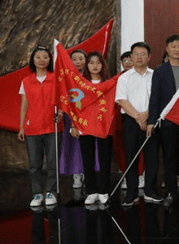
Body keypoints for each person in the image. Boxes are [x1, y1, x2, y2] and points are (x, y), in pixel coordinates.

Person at [146, 34, 179, 207]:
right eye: (173, 46)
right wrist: (151, 121)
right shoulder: (160, 70)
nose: (177, 49)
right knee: (168, 157)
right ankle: (170, 192)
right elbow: (155, 97)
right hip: (167, 122)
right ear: (167, 49)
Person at [115, 42, 161, 204]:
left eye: (143, 54)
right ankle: (131, 193)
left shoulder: (156, 75)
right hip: (130, 121)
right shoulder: (124, 78)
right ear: (131, 57)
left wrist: (147, 116)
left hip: (152, 120)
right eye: (136, 54)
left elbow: (159, 99)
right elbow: (122, 100)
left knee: (152, 157)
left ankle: (150, 190)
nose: (139, 57)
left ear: (149, 57)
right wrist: (138, 118)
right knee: (131, 157)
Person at [18, 45, 61, 208]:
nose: (42, 60)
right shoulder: (26, 81)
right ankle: (37, 193)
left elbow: (63, 100)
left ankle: (51, 192)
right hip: (32, 128)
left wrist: (61, 113)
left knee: (52, 162)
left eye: (45, 57)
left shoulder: (56, 78)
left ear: (50, 59)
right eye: (38, 57)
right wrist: (21, 127)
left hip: (52, 127)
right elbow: (24, 105)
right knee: (34, 164)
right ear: (33, 60)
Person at [78, 52, 115, 206]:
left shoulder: (109, 83)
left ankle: (103, 191)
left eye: (98, 62)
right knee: (88, 160)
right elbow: (75, 105)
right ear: (86, 65)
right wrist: (74, 125)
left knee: (105, 159)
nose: (94, 65)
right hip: (85, 125)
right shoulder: (80, 83)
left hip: (104, 125)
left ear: (102, 65)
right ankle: (91, 191)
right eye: (91, 62)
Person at [60, 49, 87, 190]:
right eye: (74, 59)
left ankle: (88, 174)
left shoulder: (90, 77)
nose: (78, 62)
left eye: (81, 59)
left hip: (87, 116)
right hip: (71, 115)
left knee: (88, 145)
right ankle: (76, 175)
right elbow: (62, 99)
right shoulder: (66, 78)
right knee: (74, 145)